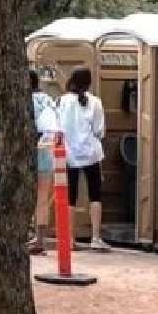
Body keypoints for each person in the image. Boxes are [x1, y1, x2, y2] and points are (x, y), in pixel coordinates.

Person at [58, 66, 111, 251]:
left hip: (69, 154)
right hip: (91, 153)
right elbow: (99, 130)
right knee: (95, 195)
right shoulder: (95, 102)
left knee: (70, 197)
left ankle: (70, 239)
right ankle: (95, 237)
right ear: (89, 82)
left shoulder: (62, 101)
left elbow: (59, 127)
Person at [29, 69, 60, 255]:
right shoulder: (48, 100)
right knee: (42, 198)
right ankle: (40, 238)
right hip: (47, 152)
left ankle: (27, 234)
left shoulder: (24, 101)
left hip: (28, 152)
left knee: (24, 196)